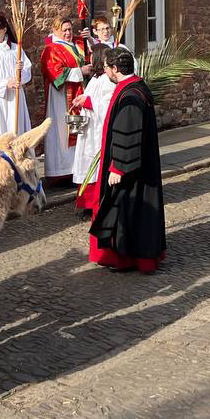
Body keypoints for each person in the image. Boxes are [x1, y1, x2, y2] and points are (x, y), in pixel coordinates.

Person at [88, 48, 166, 272]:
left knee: (128, 211)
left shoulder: (130, 96)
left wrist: (118, 168)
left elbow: (127, 132)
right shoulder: (135, 87)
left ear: (115, 69)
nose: (105, 72)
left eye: (106, 68)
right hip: (143, 166)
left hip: (131, 170)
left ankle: (126, 257)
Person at [40, 17, 90, 184]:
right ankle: (61, 171)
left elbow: (91, 54)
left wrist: (88, 38)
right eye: (64, 30)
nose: (68, 33)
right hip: (61, 97)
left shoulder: (77, 44)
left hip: (78, 93)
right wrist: (80, 71)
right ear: (55, 31)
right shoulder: (51, 49)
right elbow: (56, 74)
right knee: (62, 132)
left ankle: (77, 169)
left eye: (70, 29)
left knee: (78, 129)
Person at [71, 46, 116, 215]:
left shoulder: (107, 81)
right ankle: (86, 202)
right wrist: (82, 100)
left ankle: (94, 203)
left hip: (97, 132)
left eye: (90, 56)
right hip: (89, 129)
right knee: (87, 166)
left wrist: (88, 102)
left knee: (94, 167)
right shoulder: (96, 79)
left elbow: (108, 106)